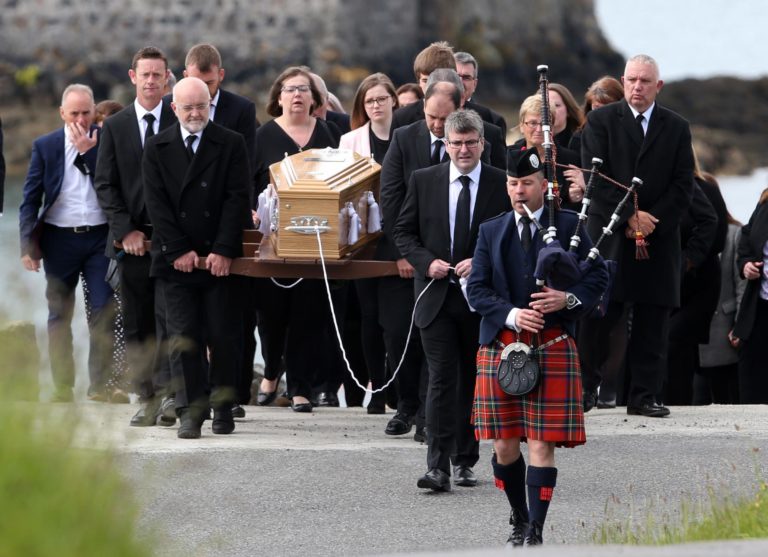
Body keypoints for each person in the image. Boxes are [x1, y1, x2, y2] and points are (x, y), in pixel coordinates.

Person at [467, 148, 607, 546]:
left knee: (543, 441)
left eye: (527, 183)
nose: (518, 190)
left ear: (544, 186)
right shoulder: (491, 230)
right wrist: (512, 314)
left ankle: (536, 532)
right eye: (513, 184)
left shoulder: (569, 224)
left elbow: (597, 279)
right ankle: (519, 515)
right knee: (505, 443)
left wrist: (567, 300)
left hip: (552, 342)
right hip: (503, 342)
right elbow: (476, 289)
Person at [394, 109, 510, 491]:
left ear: (482, 144)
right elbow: (404, 232)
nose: (463, 149)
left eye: (470, 143)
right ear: (445, 145)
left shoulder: (499, 183)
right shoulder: (424, 180)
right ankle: (437, 467)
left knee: (474, 380)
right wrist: (429, 264)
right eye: (456, 143)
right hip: (435, 296)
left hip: (481, 301)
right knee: (442, 378)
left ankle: (465, 460)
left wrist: (479, 262)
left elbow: (509, 238)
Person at [581, 54, 695, 417]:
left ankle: (644, 395)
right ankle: (584, 388)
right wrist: (630, 215)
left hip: (658, 238)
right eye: (631, 80)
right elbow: (594, 179)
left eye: (645, 81)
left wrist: (652, 219)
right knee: (599, 317)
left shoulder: (677, 127)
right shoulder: (600, 122)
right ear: (623, 80)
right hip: (611, 235)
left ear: (657, 86)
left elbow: (683, 185)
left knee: (653, 320)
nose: (637, 87)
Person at [143, 77, 250, 438]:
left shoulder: (231, 142)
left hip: (218, 259)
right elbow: (156, 205)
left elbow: (237, 199)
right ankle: (190, 411)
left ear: (209, 106)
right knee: (182, 338)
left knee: (223, 336)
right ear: (174, 108)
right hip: (177, 260)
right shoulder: (157, 147)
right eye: (187, 107)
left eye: (200, 106)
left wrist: (222, 250)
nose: (194, 113)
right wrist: (178, 251)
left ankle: (222, 406)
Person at [378, 78, 465, 440]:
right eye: (431, 117)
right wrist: (408, 254)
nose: (437, 125)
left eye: (444, 119)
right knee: (402, 336)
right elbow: (391, 197)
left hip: (455, 265)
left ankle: (431, 419)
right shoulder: (404, 137)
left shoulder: (476, 138)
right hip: (410, 257)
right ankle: (405, 406)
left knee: (440, 346)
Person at [94, 46, 177, 426]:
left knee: (171, 321)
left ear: (166, 78)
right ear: (133, 77)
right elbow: (106, 185)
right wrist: (124, 230)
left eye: (157, 74)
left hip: (173, 242)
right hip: (130, 244)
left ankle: (171, 396)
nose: (150, 81)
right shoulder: (115, 126)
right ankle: (146, 397)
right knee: (137, 324)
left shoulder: (178, 122)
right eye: (144, 74)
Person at [18, 83, 114, 402]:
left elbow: (118, 183)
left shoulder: (106, 139)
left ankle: (99, 384)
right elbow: (30, 200)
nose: (81, 119)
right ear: (62, 113)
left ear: (94, 111)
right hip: (59, 238)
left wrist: (89, 150)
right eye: (74, 113)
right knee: (59, 314)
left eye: (86, 112)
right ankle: (62, 386)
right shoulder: (45, 146)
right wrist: (28, 246)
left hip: (100, 237)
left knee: (103, 309)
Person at [252, 66, 338, 413]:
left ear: (315, 99)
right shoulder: (263, 137)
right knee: (270, 316)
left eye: (303, 89)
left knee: (309, 314)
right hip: (273, 241)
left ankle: (300, 386)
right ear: (279, 97)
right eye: (290, 89)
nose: (297, 95)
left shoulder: (330, 133)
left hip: (317, 239)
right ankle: (272, 369)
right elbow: (248, 183)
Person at [182, 42, 259, 418]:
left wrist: (227, 245)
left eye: (208, 84)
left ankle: (232, 396)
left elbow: (242, 180)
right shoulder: (176, 108)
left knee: (232, 324)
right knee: (189, 328)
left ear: (220, 77)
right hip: (187, 234)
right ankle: (192, 398)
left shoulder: (240, 111)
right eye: (196, 82)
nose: (202, 94)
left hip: (228, 228)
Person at [339, 72, 399, 413]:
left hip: (399, 235)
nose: (376, 105)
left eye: (381, 98)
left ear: (392, 99)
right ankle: (376, 388)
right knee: (369, 315)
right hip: (363, 236)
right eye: (369, 101)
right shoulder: (351, 140)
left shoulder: (406, 136)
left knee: (396, 318)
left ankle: (397, 386)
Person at [664, 162, 724, 405]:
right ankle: (671, 403)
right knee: (673, 349)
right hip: (667, 282)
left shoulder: (706, 187)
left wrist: (688, 260)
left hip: (700, 283)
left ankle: (678, 405)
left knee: (675, 340)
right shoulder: (658, 187)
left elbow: (718, 236)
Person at [696, 194, 744, 404]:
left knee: (728, 395)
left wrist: (739, 325)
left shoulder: (735, 233)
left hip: (724, 327)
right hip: (696, 329)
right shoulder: (689, 233)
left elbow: (741, 284)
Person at [507, 95, 584, 210]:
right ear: (522, 126)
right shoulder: (508, 156)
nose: (539, 129)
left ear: (552, 127)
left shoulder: (570, 160)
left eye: (544, 124)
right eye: (532, 123)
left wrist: (577, 196)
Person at [733, 187, 768, 404]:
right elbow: (746, 237)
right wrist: (746, 265)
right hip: (760, 304)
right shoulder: (765, 202)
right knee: (752, 374)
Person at [568, 77, 624, 174]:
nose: (603, 113)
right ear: (590, 106)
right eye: (597, 108)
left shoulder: (630, 134)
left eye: (608, 107)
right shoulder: (579, 138)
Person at [454, 51, 507, 137]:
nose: (459, 82)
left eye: (466, 77)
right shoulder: (429, 115)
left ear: (474, 84)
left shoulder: (493, 121)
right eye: (455, 76)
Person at [548, 83, 583, 150]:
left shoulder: (580, 142)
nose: (550, 110)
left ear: (568, 111)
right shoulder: (525, 145)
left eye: (556, 105)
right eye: (545, 105)